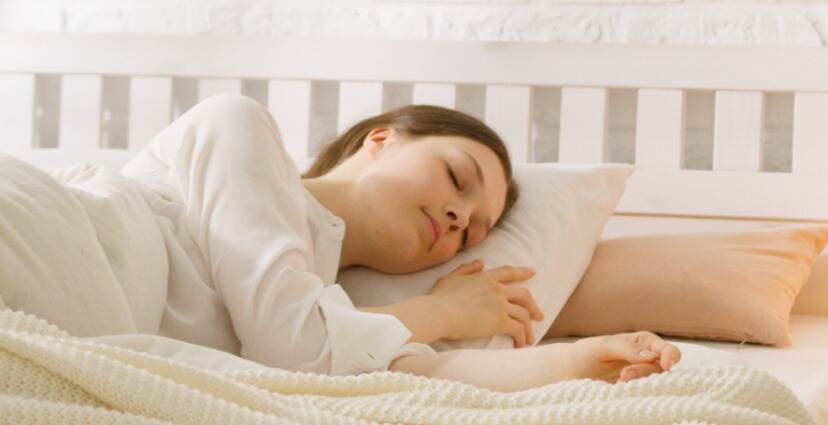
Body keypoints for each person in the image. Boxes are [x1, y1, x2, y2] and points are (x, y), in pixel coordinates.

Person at [119, 93, 680, 393]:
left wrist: (585, 360)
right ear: (382, 139)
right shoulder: (240, 127)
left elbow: (432, 379)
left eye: (471, 233)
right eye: (457, 177)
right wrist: (439, 311)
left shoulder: (335, 312)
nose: (459, 216)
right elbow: (294, 350)